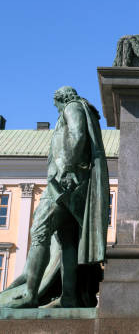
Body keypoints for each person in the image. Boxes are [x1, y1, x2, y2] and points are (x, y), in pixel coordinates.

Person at [0, 86, 109, 308]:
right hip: (73, 186)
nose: (56, 110)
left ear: (61, 99)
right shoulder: (81, 108)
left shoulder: (72, 107)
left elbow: (77, 135)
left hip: (63, 185)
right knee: (67, 240)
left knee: (39, 232)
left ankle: (30, 294)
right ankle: (69, 296)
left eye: (56, 105)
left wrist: (66, 171)